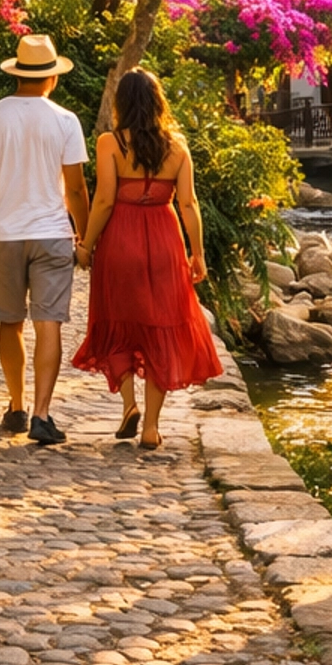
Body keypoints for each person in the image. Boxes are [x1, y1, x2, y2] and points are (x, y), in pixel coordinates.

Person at [72, 67, 221, 449]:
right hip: (166, 240)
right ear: (158, 103)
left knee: (117, 321)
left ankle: (128, 406)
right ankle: (152, 427)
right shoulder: (178, 146)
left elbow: (104, 199)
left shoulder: (110, 143)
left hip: (121, 241)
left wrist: (87, 245)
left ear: (122, 103)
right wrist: (197, 252)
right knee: (161, 328)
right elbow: (188, 204)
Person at [0, 32, 90, 447]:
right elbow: (75, 189)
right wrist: (85, 236)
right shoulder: (65, 121)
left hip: (3, 233)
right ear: (52, 78)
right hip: (53, 234)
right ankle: (42, 414)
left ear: (17, 74)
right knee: (48, 322)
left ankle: (16, 405)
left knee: (10, 320)